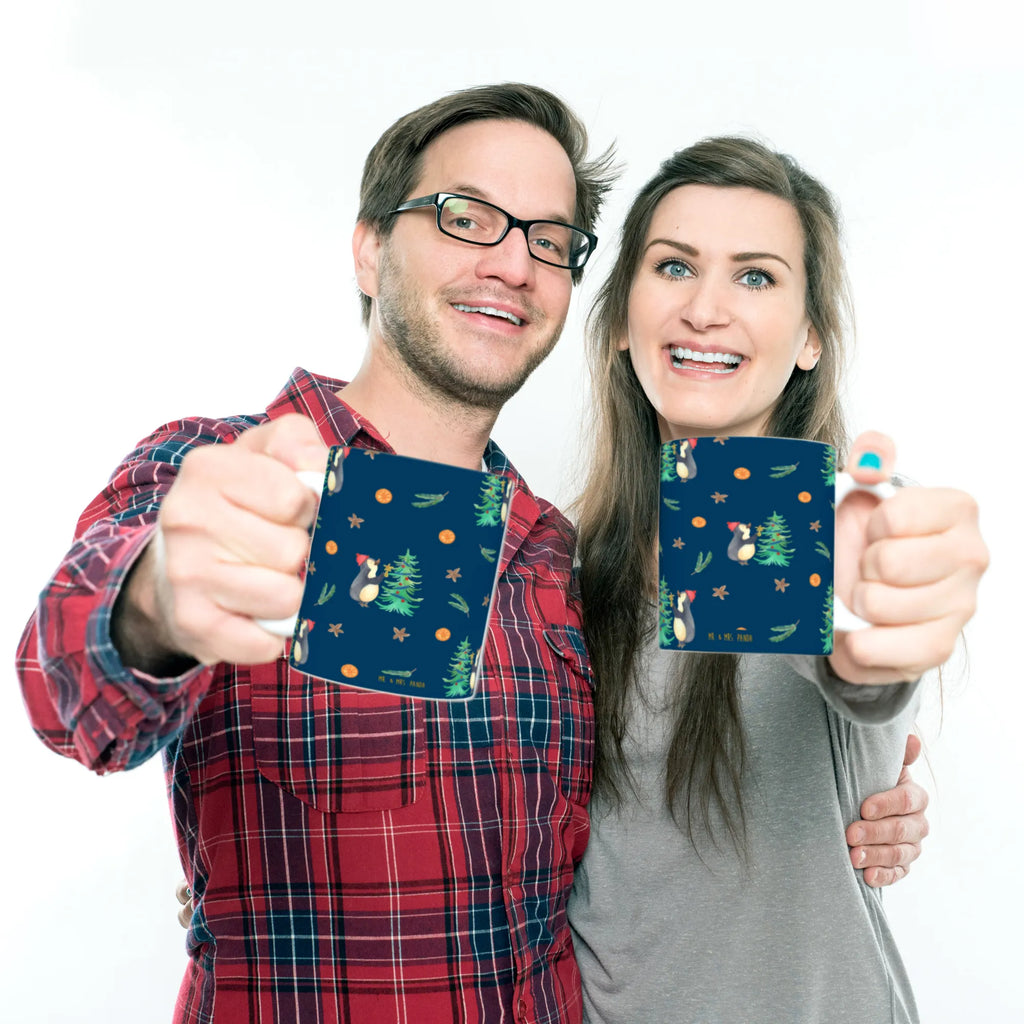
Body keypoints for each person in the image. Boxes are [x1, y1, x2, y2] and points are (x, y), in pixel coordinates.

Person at [18, 84, 929, 1024]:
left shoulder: (553, 556)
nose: (510, 263)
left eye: (546, 239)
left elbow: (831, 684)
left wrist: (874, 761)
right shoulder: (225, 472)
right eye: (467, 217)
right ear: (371, 247)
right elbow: (66, 687)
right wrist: (157, 605)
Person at [568, 136, 989, 1023]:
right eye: (674, 266)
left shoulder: (838, 524)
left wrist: (885, 620)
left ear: (809, 340)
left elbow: (862, 657)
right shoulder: (564, 567)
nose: (707, 309)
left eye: (755, 277)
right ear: (618, 321)